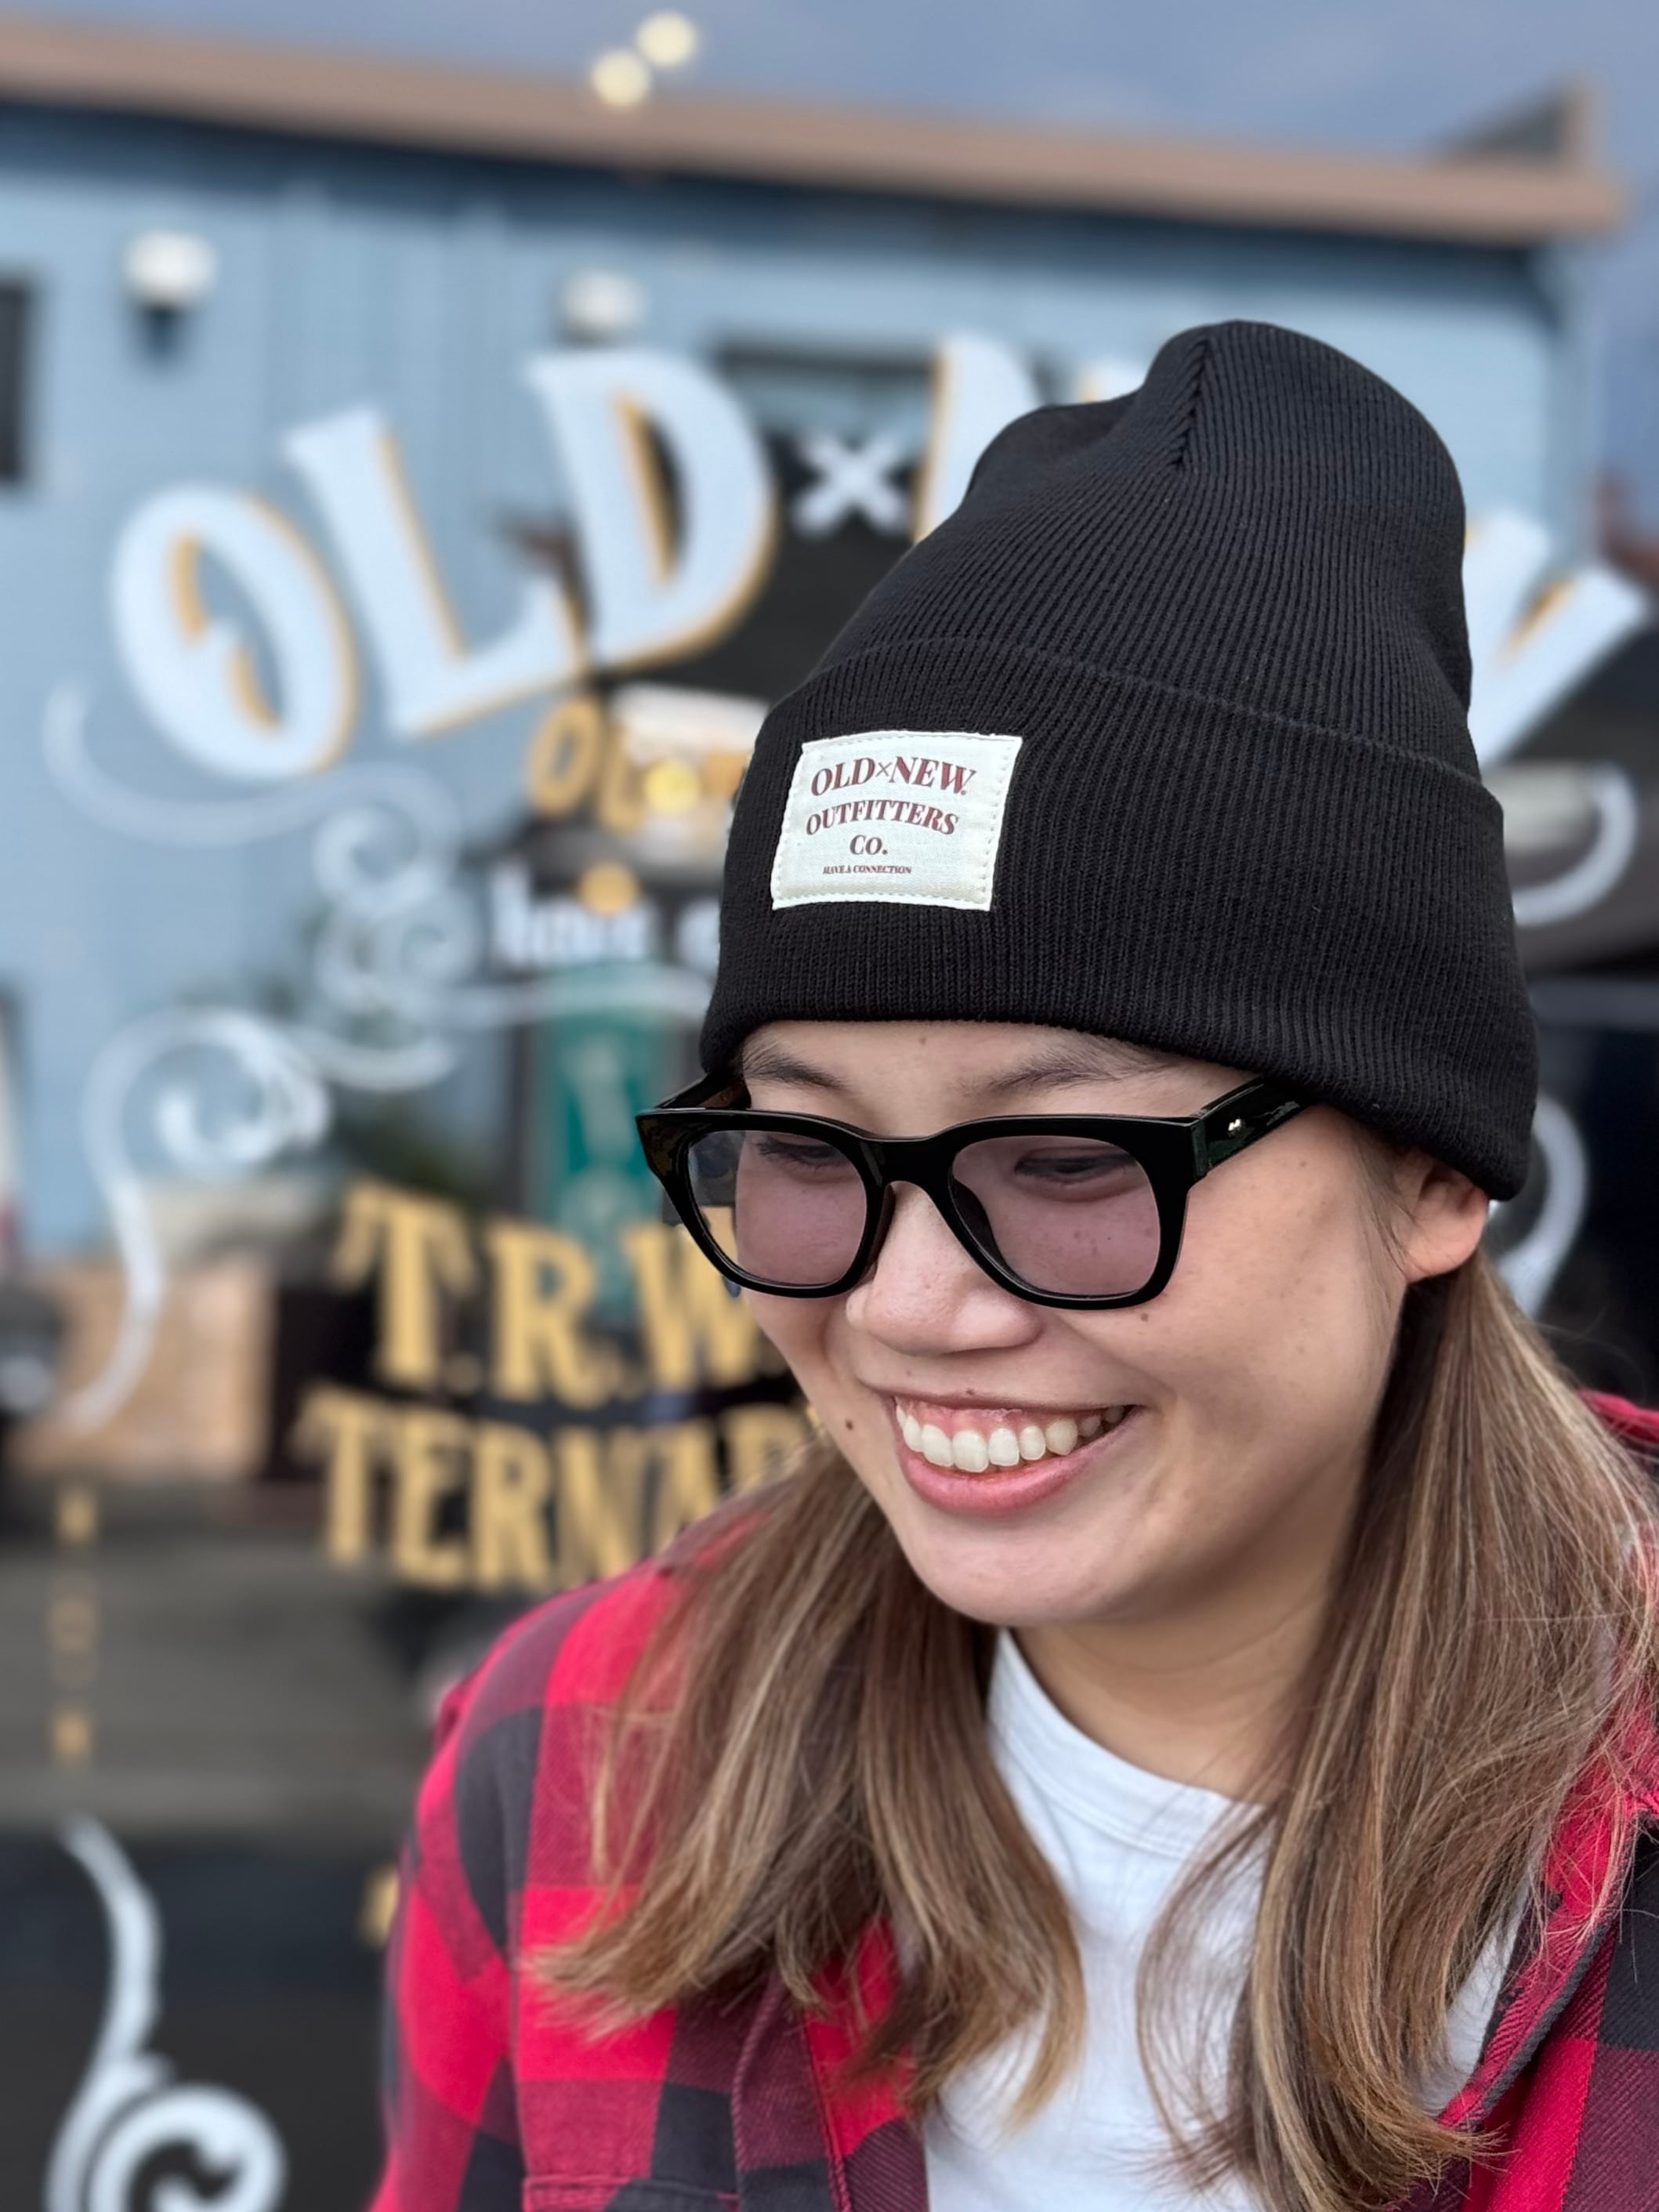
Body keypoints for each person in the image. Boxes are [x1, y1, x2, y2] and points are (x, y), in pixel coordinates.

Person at [371, 324, 1659, 2212]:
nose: (903, 1305)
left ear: (1432, 1171)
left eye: (1067, 1161)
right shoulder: (576, 1755)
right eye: (805, 1146)